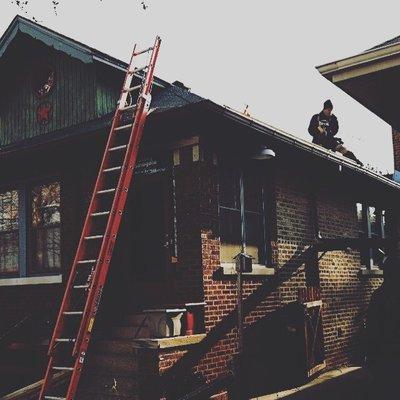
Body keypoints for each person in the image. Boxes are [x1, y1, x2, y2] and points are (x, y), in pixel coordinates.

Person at [308, 100, 363, 165]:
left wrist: (329, 132)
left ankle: (355, 161)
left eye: (331, 110)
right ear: (324, 109)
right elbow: (310, 130)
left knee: (342, 149)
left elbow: (335, 130)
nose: (329, 112)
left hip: (329, 139)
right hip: (318, 140)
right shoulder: (316, 117)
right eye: (328, 110)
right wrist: (318, 132)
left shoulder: (333, 118)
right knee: (319, 152)